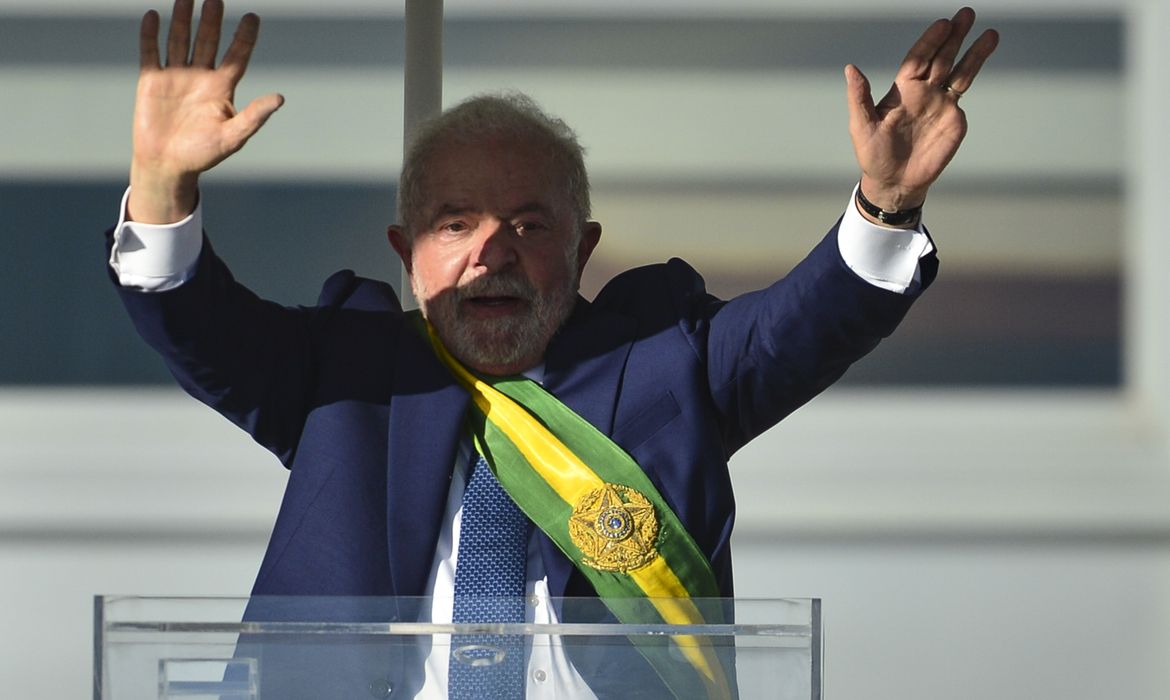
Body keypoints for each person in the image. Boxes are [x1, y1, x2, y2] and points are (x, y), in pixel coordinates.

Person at [107, 1, 997, 697]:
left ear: (581, 248)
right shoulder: (344, 370)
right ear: (404, 252)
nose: (492, 251)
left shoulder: (666, 361)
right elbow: (196, 322)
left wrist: (883, 202)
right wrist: (160, 184)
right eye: (455, 223)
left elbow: (804, 324)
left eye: (529, 224)